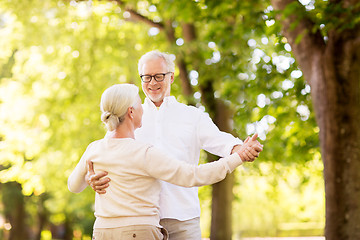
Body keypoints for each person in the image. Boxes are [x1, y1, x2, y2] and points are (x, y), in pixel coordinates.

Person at [87, 50, 263, 239]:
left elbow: (223, 143)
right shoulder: (129, 117)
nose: (152, 83)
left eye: (159, 76)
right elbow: (106, 155)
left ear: (171, 77)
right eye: (146, 77)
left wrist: (242, 150)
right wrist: (91, 177)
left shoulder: (192, 117)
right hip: (141, 223)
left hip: (183, 219)